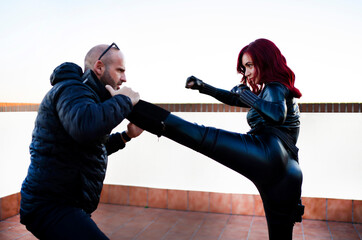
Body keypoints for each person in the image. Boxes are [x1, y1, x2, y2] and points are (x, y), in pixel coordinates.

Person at [123, 38, 304, 240]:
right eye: (244, 68)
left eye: (250, 65)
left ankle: (127, 105)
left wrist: (248, 97)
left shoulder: (275, 87)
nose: (247, 73)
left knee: (199, 135)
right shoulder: (270, 91)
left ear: (266, 60)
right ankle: (129, 106)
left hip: (270, 154)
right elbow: (233, 98)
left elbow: (277, 114)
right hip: (288, 172)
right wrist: (203, 86)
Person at [20, 43, 143, 240]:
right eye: (120, 70)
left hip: (66, 204)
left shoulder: (89, 97)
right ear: (99, 67)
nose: (124, 78)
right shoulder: (72, 89)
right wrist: (124, 101)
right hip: (50, 206)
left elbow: (91, 148)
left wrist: (126, 136)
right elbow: (85, 127)